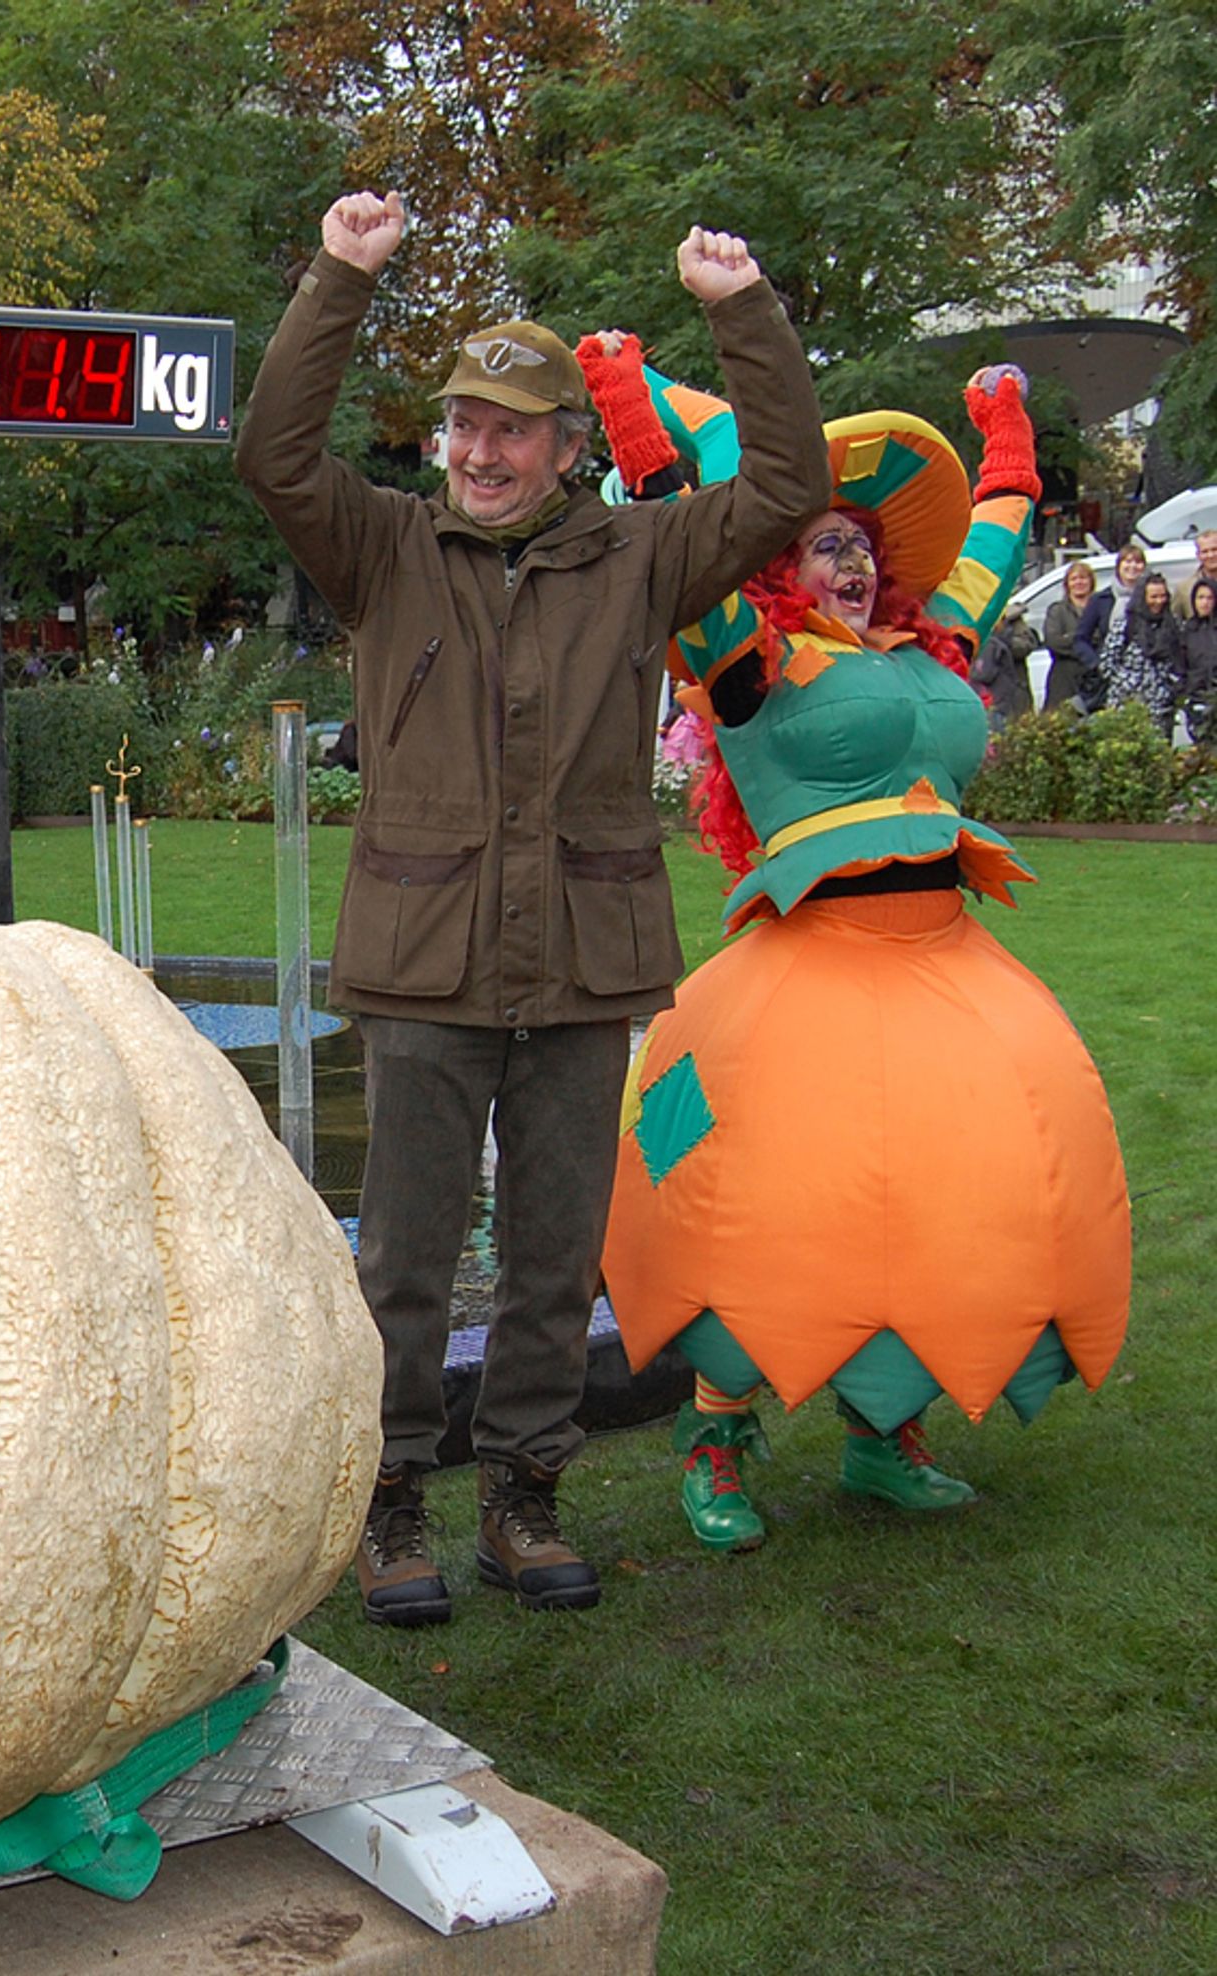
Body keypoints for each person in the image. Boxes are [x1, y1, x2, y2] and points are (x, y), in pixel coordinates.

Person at [235, 191, 830, 1625]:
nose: (481, 452)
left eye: (512, 431)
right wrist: (336, 281)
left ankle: (523, 1497)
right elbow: (272, 455)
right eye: (463, 426)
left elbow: (787, 485)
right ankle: (389, 1504)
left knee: (556, 1258)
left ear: (570, 449)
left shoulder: (643, 556)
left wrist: (742, 312)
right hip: (426, 966)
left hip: (580, 962)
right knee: (404, 1263)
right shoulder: (381, 547)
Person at [583, 351, 1130, 1554]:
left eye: (862, 545)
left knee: (956, 1185)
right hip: (801, 977)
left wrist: (1004, 438)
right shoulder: (750, 660)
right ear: (774, 563)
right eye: (823, 543)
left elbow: (992, 545)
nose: (851, 562)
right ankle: (715, 1436)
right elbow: (682, 542)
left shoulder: (923, 646)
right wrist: (631, 413)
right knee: (751, 1195)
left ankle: (885, 1431)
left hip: (947, 964)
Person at [1095, 570, 1184, 728]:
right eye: (1153, 597)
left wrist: (1170, 687)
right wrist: (1129, 685)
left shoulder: (1174, 625)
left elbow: (1180, 662)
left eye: (1162, 596)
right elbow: (1107, 664)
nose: (1159, 601)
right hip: (1126, 708)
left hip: (1162, 709)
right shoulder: (1125, 624)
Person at [1070, 542, 1151, 712]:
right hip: (1109, 679)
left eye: (1137, 562)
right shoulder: (1101, 600)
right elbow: (1080, 639)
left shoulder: (1153, 597)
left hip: (1146, 678)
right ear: (1118, 566)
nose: (1132, 567)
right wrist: (1097, 664)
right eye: (1127, 562)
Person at [1039, 558, 1093, 713]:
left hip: (1092, 676)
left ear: (1091, 582)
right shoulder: (1057, 610)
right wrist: (1084, 643)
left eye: (1083, 578)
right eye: (1074, 579)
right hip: (1063, 680)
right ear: (1067, 584)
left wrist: (1070, 637)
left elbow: (1102, 638)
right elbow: (1053, 642)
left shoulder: (1098, 607)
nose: (1079, 582)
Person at [971, 604, 1035, 726]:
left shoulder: (1013, 619)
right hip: (986, 695)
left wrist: (1004, 642)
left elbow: (1026, 645)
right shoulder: (969, 618)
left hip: (1013, 690)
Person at [1180, 576, 1217, 745]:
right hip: (1197, 698)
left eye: (1209, 598)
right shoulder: (1187, 630)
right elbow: (1181, 665)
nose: (1205, 603)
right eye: (1200, 597)